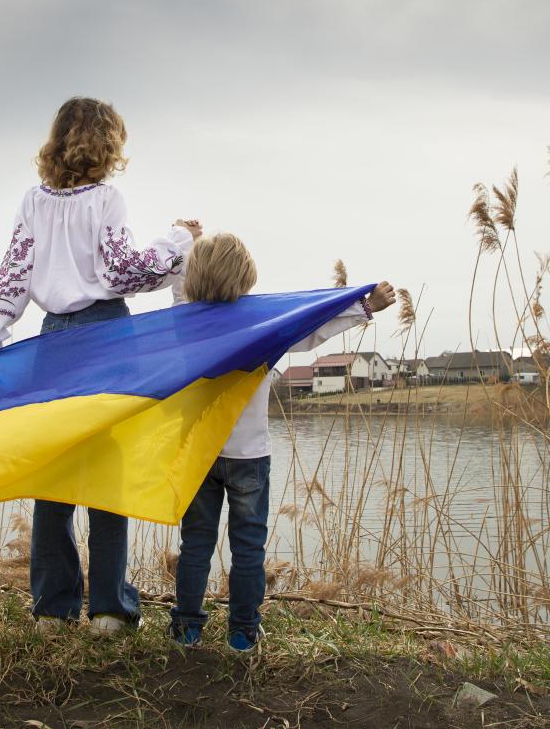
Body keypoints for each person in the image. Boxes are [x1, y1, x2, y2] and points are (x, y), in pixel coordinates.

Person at [0, 97, 201, 636]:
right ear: (108, 144)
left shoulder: (33, 202)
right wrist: (179, 241)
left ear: (58, 140)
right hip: (108, 336)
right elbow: (123, 271)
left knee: (55, 469)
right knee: (108, 469)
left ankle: (52, 608)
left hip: (54, 341)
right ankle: (110, 610)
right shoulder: (108, 200)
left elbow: (14, 274)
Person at [166, 233, 394, 651]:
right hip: (249, 458)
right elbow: (314, 329)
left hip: (199, 455)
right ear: (246, 277)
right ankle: (242, 634)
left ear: (195, 275)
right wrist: (364, 307)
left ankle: (187, 630)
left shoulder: (184, 324)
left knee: (195, 544)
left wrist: (189, 244)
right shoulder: (262, 327)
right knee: (248, 548)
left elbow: (182, 293)